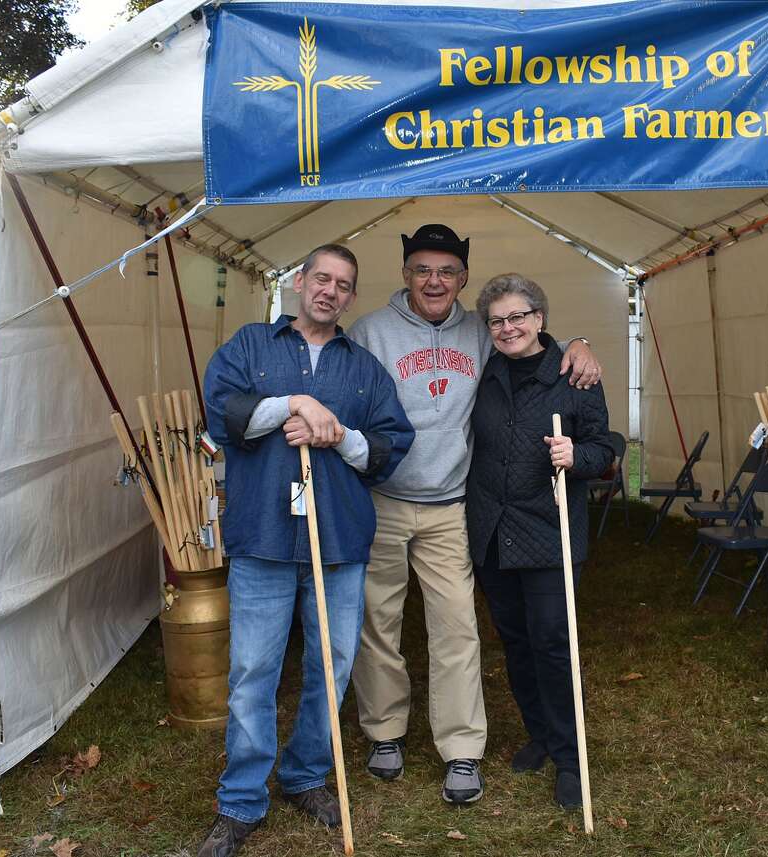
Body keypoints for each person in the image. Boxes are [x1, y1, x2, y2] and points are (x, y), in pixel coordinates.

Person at [347, 224, 601, 804]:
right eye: (422, 270)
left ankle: (461, 747)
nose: (433, 281)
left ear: (462, 279)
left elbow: (528, 344)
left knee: (458, 626)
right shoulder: (369, 333)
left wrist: (578, 342)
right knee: (376, 622)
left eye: (446, 271)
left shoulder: (479, 331)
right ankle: (385, 732)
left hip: (451, 505)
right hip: (383, 499)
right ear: (405, 274)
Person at [198, 244, 414, 857]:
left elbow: (388, 448)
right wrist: (291, 404)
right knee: (252, 674)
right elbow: (220, 413)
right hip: (263, 536)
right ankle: (240, 800)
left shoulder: (365, 370)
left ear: (351, 296)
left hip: (339, 540)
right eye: (322, 278)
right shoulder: (249, 346)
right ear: (299, 281)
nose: (331, 291)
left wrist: (337, 434)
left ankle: (306, 775)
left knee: (331, 669)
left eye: (344, 285)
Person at [466, 273, 613, 810]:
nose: (508, 328)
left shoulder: (574, 375)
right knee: (515, 641)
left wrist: (579, 457)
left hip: (549, 530)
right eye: (498, 320)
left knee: (553, 643)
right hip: (492, 530)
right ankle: (541, 735)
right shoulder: (482, 370)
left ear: (540, 318)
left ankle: (570, 758)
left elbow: (605, 446)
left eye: (518, 317)